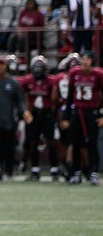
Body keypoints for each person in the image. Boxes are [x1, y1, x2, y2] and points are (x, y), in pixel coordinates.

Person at [64, 51, 103, 185]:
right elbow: (69, 96)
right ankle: (76, 172)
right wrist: (66, 117)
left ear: (92, 61)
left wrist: (101, 114)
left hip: (92, 112)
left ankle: (94, 172)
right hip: (78, 111)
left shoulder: (98, 74)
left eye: (88, 59)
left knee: (92, 143)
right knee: (75, 142)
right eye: (83, 59)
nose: (85, 62)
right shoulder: (74, 73)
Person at [19, 56, 56, 180]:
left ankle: (54, 168)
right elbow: (20, 95)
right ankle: (35, 169)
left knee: (50, 141)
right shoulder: (27, 80)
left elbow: (55, 99)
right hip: (33, 114)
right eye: (37, 68)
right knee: (32, 141)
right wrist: (25, 110)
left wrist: (53, 112)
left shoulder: (51, 81)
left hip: (47, 113)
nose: (38, 71)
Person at [0, 55, 23, 181]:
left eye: (3, 64)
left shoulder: (13, 83)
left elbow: (19, 102)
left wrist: (23, 113)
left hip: (8, 119)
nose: (0, 67)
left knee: (9, 146)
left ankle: (9, 170)